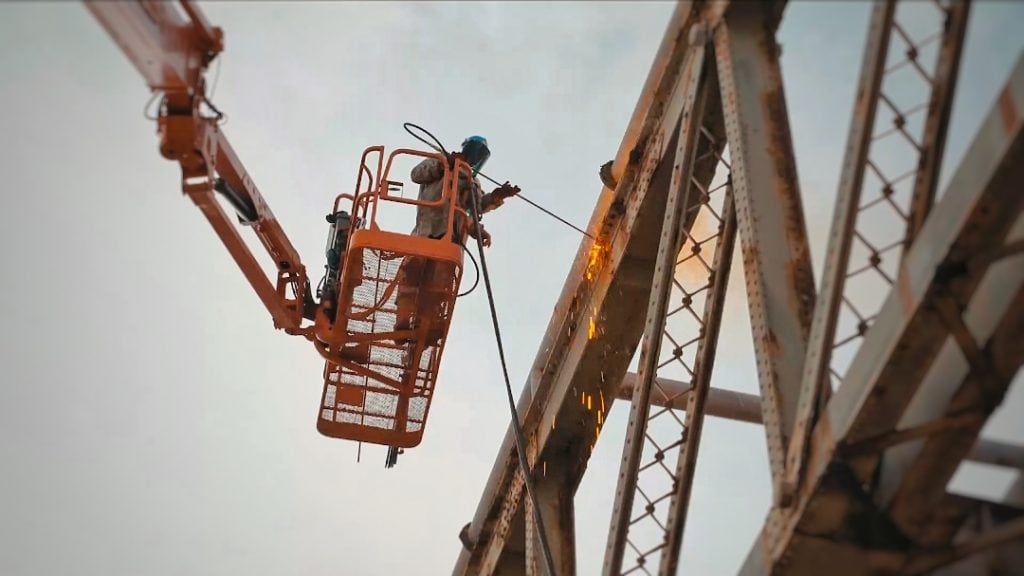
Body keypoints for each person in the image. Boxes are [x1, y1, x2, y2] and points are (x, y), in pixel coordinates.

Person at [394, 136, 519, 344]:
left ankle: (424, 328)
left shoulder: (471, 181)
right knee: (412, 275)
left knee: (438, 287)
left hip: (450, 241)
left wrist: (497, 196)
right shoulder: (441, 160)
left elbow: (475, 208)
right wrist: (444, 165)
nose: (473, 158)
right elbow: (416, 174)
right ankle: (403, 322)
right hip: (426, 233)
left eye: (479, 155)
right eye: (473, 151)